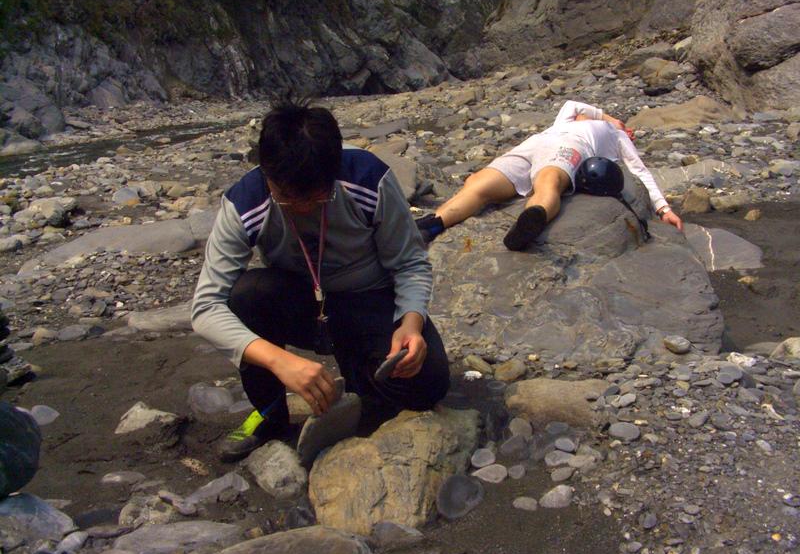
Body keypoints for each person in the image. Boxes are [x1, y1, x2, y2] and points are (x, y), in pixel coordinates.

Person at [192, 100, 449, 462]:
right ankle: (268, 414)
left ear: (334, 170)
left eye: (315, 197)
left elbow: (409, 263)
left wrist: (411, 323)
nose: (302, 208)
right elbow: (206, 307)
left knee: (429, 381)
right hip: (300, 302)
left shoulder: (367, 179)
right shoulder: (245, 203)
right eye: (287, 197)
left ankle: (360, 388)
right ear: (267, 174)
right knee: (246, 296)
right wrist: (279, 361)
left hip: (368, 298)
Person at [416, 100, 683, 250]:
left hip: (573, 147)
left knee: (549, 180)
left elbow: (638, 169)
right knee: (478, 183)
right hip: (536, 143)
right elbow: (573, 104)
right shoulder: (566, 120)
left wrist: (663, 208)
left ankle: (531, 221)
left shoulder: (616, 135)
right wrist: (609, 116)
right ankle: (432, 225)